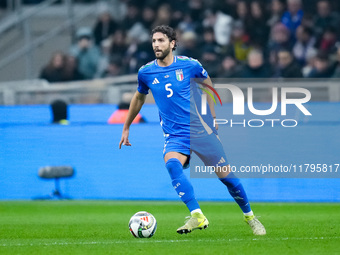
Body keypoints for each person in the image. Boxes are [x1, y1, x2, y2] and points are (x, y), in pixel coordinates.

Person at [119, 25, 266, 236]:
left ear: (172, 43)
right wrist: (126, 126)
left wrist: (213, 117)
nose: (156, 45)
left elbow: (207, 86)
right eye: (154, 41)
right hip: (175, 135)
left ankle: (250, 217)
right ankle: (197, 215)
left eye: (161, 40)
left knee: (227, 178)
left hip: (200, 130)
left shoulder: (190, 65)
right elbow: (139, 98)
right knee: (171, 164)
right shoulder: (146, 72)